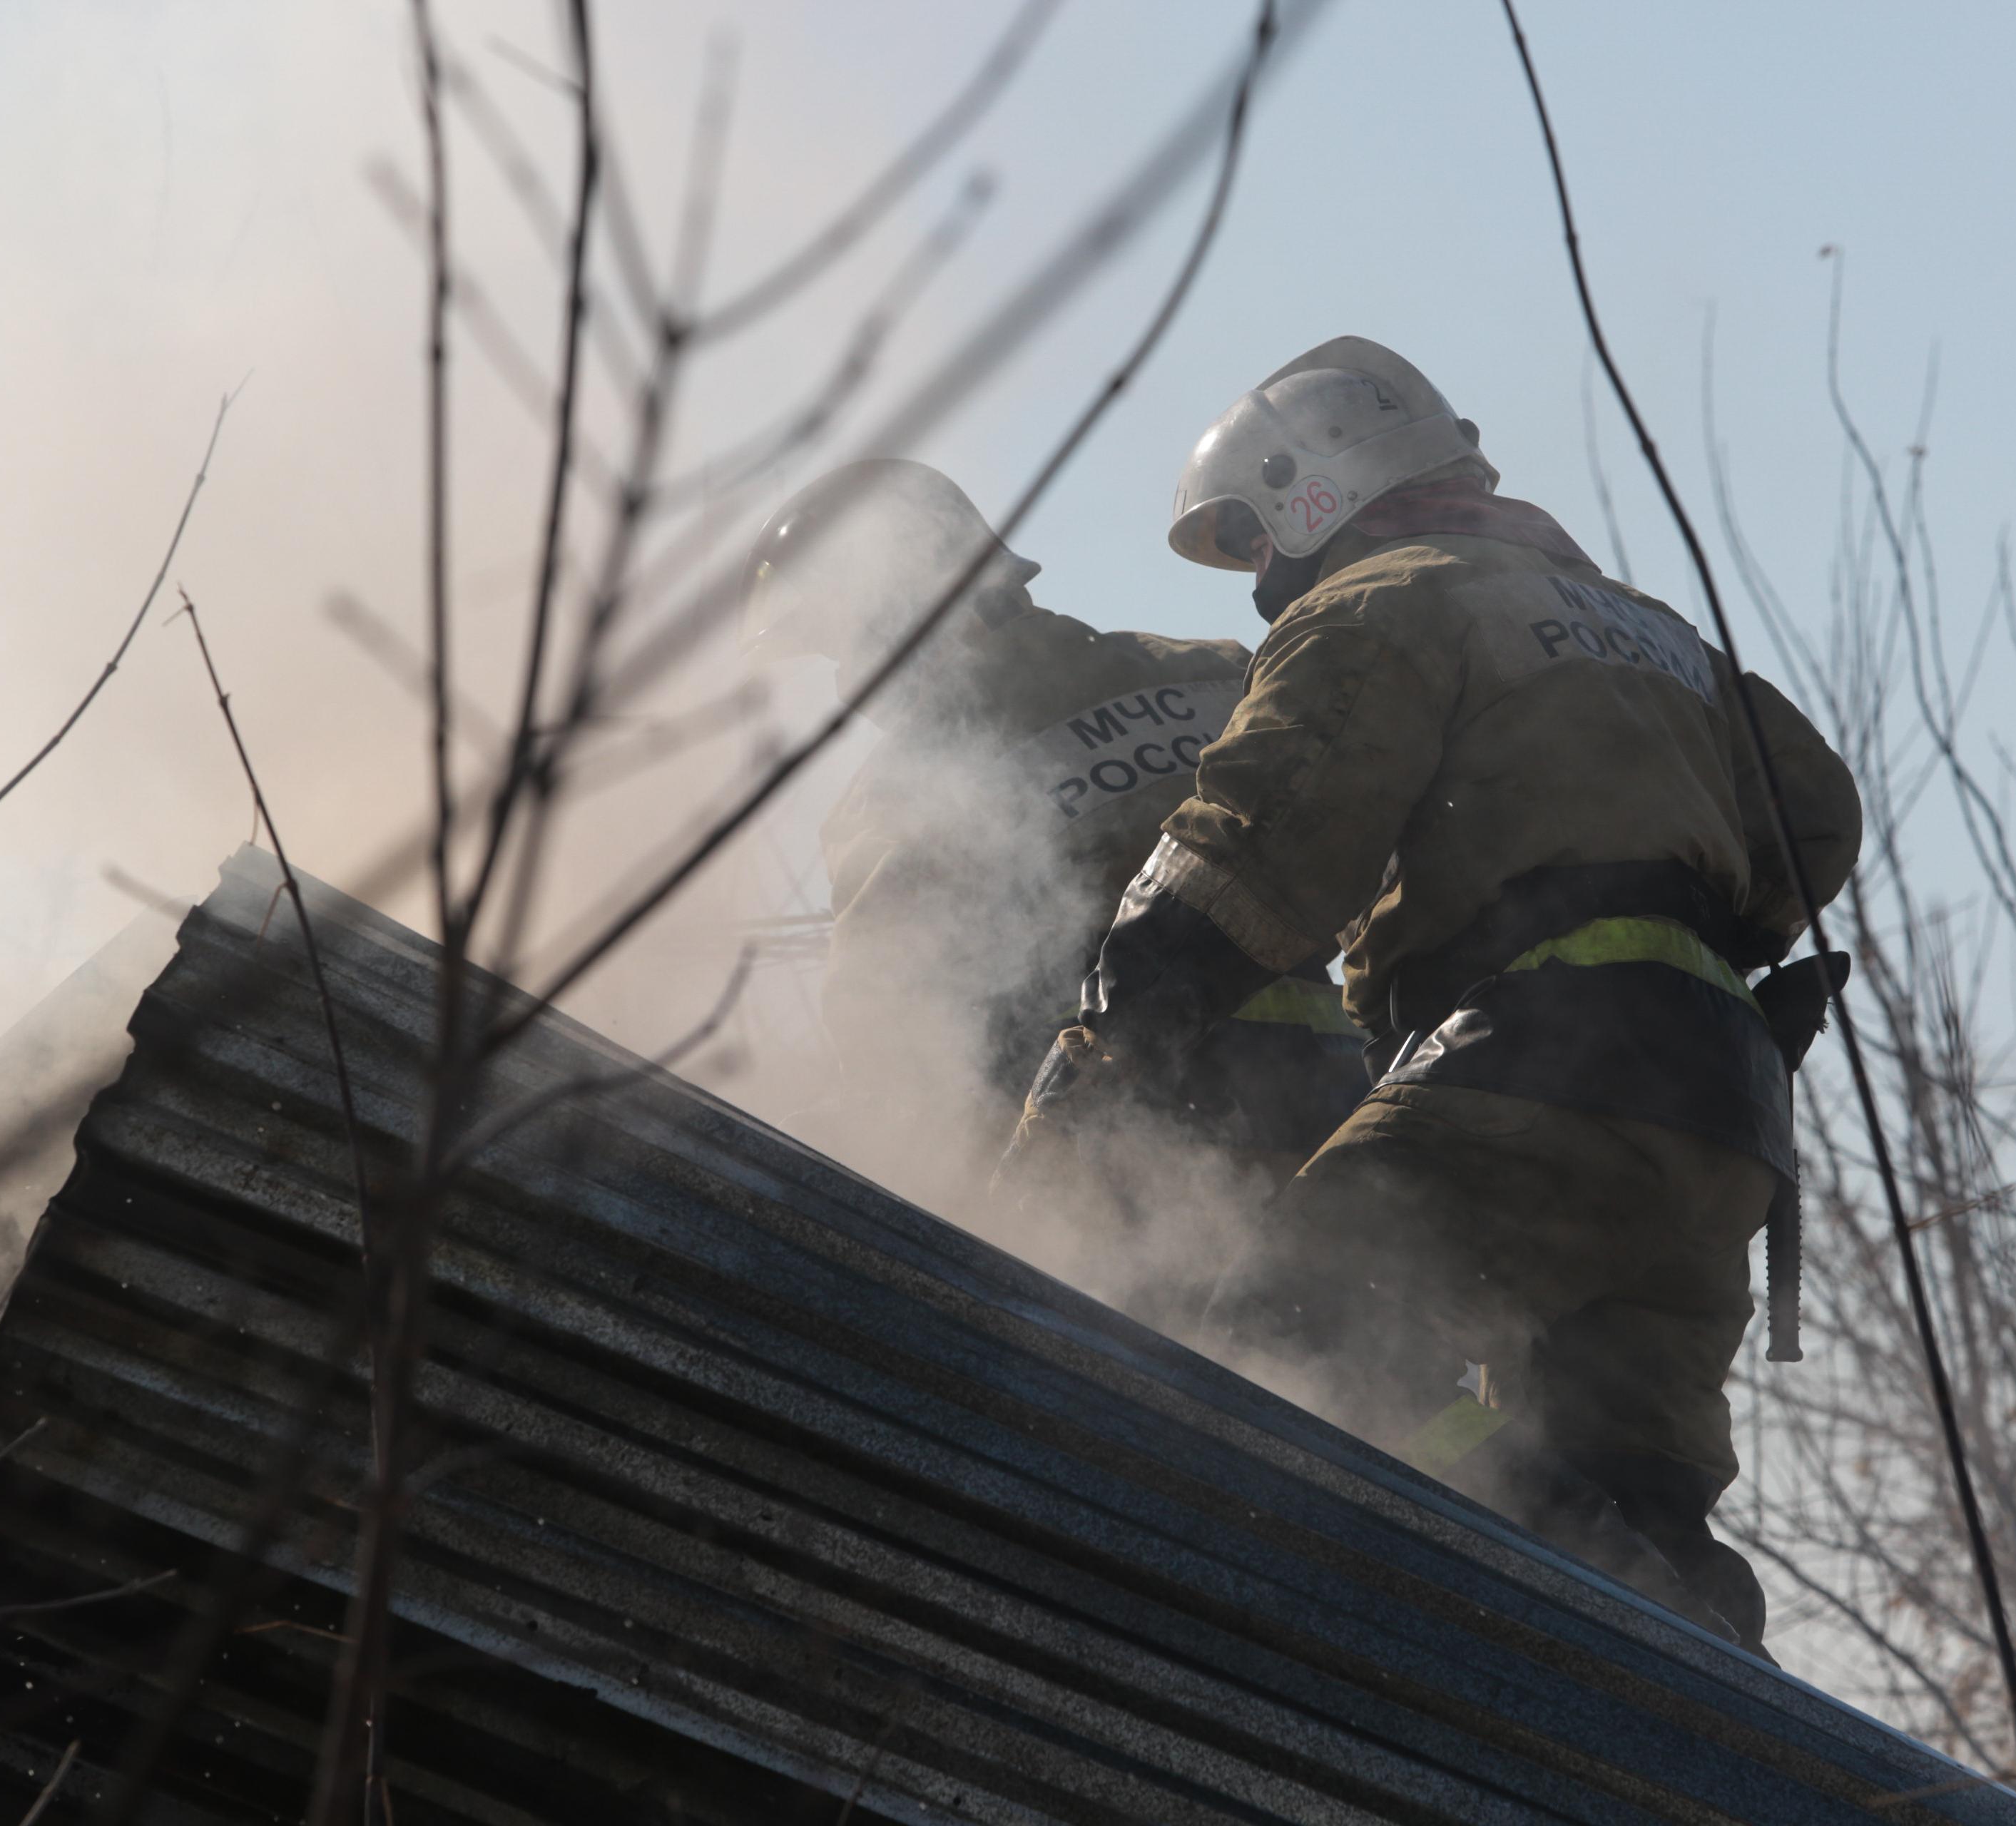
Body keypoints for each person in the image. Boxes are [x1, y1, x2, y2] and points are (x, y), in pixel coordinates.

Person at [1004, 339, 1861, 1651]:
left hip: (1535, 1073)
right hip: (1720, 1113)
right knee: (1646, 1482)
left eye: (1256, 544)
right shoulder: (1654, 631)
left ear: (1313, 491)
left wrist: (1104, 1058)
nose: (1262, 585)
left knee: (1287, 1336)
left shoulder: (1379, 605)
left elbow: (1257, 846)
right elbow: (1815, 811)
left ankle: (1573, 1587)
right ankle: (1704, 1710)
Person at [740, 459, 1365, 1248]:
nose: (847, 681)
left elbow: (886, 1048)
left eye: (842, 648)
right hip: (1330, 1121)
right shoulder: (1215, 673)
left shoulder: (904, 797)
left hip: (1120, 1178)